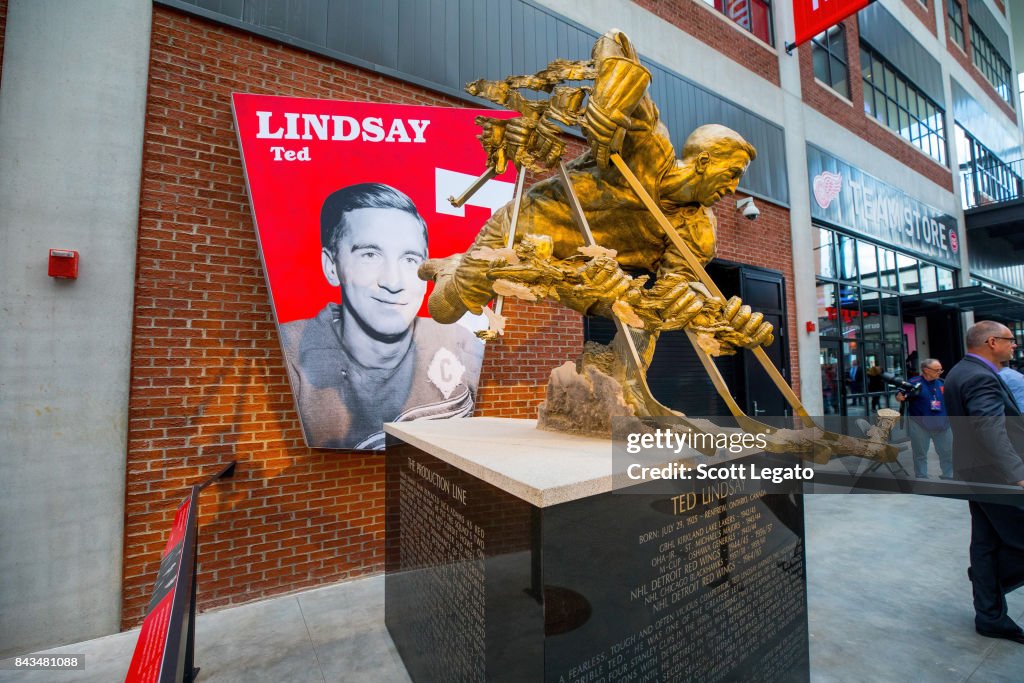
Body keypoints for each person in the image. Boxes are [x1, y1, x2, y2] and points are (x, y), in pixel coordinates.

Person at [419, 30, 772, 366]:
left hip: (581, 273)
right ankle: (453, 268)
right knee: (444, 310)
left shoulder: (698, 231)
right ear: (704, 162)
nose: (731, 190)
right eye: (731, 175)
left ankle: (625, 383)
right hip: (520, 233)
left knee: (640, 314)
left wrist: (718, 320)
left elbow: (669, 292)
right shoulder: (647, 149)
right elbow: (616, 42)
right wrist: (610, 100)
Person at [280, 183, 484, 450]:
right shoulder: (289, 356)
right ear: (332, 267)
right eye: (370, 255)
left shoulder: (458, 341)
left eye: (410, 260)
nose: (393, 281)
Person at [944, 320, 1024, 644]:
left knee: (986, 543)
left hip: (975, 472)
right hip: (994, 476)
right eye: (1010, 340)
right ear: (992, 342)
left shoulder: (960, 371)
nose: (1014, 345)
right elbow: (988, 429)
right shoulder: (979, 376)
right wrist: (1017, 473)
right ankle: (986, 581)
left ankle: (990, 616)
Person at [895, 358, 952, 479]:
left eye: (941, 370)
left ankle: (948, 475)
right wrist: (899, 396)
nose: (940, 372)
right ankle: (922, 477)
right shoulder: (915, 382)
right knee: (920, 454)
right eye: (937, 370)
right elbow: (900, 393)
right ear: (926, 370)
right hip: (920, 425)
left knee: (947, 453)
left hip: (943, 425)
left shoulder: (942, 382)